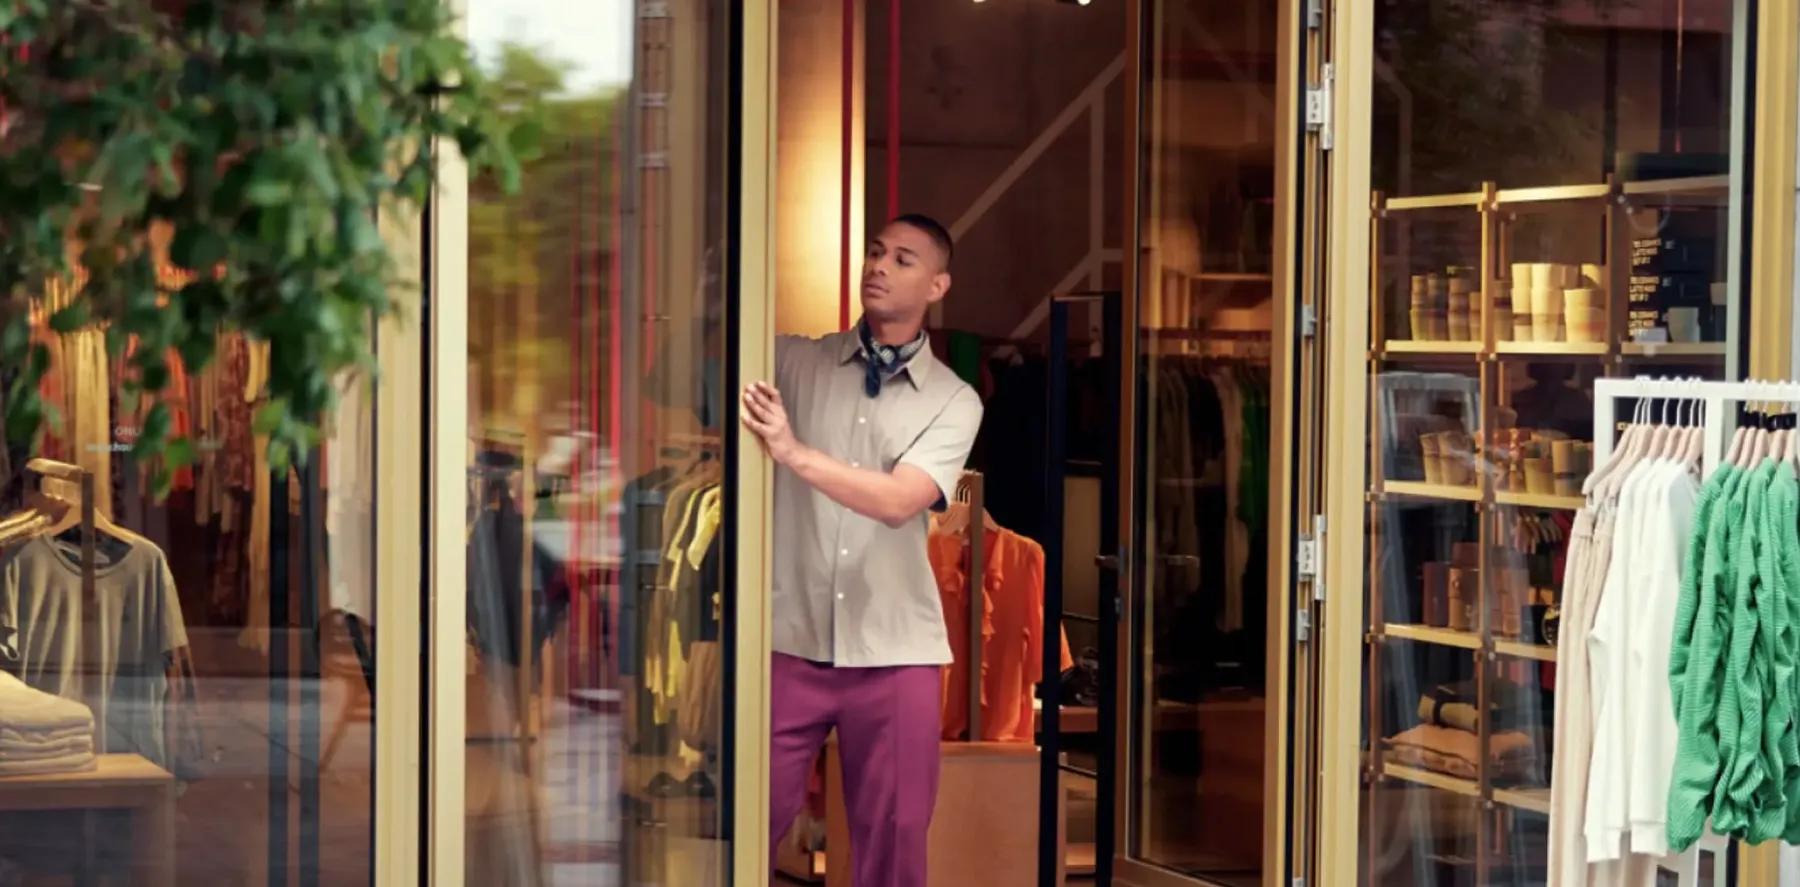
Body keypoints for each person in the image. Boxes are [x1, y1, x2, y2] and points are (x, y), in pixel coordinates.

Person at [740, 213, 983, 887]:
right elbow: (669, 381)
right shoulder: (791, 360)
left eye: (903, 259)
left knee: (895, 843)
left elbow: (900, 500)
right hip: (787, 638)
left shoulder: (955, 400)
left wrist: (792, 451)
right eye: (875, 251)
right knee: (742, 822)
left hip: (895, 650)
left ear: (937, 284)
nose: (879, 265)